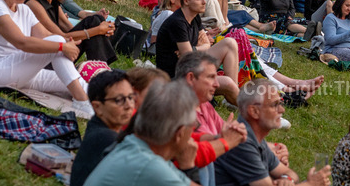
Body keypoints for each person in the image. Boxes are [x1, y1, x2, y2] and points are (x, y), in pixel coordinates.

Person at [214, 79, 331, 186]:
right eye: (275, 105)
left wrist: (286, 179)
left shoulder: (255, 139)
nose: (282, 110)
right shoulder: (242, 142)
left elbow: (288, 172)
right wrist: (311, 183)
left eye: (280, 104)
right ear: (254, 111)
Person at [83, 81, 200, 186]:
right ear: (180, 133)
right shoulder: (149, 165)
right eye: (193, 125)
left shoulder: (135, 144)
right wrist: (188, 166)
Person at [175, 52, 250, 186]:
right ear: (191, 78)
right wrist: (227, 141)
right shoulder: (176, 110)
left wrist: (268, 150)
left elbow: (226, 136)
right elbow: (195, 152)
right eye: (211, 77)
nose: (216, 84)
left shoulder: (204, 105)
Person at [25, 0, 117, 64]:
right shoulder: (33, 4)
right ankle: (100, 67)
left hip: (58, 50)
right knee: (93, 22)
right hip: (42, 59)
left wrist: (101, 29)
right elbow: (61, 36)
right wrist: (98, 30)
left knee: (96, 20)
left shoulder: (53, 2)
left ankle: (100, 66)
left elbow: (70, 29)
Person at [155, 0, 242, 91]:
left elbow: (205, 44)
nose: (204, 2)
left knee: (230, 43)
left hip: (192, 65)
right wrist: (196, 49)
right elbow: (187, 56)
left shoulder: (194, 17)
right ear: (186, 1)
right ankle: (239, 97)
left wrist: (194, 49)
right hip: (176, 77)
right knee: (227, 83)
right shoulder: (177, 22)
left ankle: (235, 93)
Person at [71, 71, 136, 186]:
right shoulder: (106, 138)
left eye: (130, 97)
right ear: (97, 107)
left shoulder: (99, 127)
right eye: (119, 100)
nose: (129, 105)